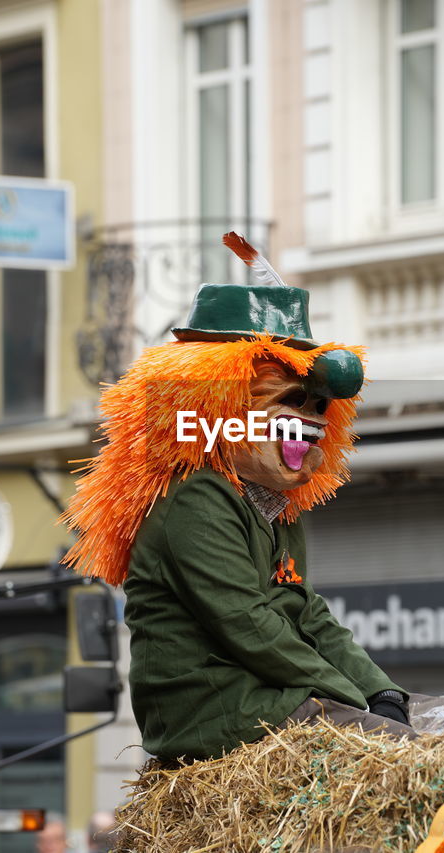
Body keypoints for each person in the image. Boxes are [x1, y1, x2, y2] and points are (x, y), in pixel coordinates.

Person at [62, 234, 413, 761]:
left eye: (318, 408)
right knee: (382, 746)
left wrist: (381, 691)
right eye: (291, 401)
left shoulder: (275, 505)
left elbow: (303, 609)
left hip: (262, 695)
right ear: (217, 404)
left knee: (431, 722)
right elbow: (246, 621)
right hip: (209, 708)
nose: (308, 423)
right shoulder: (196, 500)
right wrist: (352, 701)